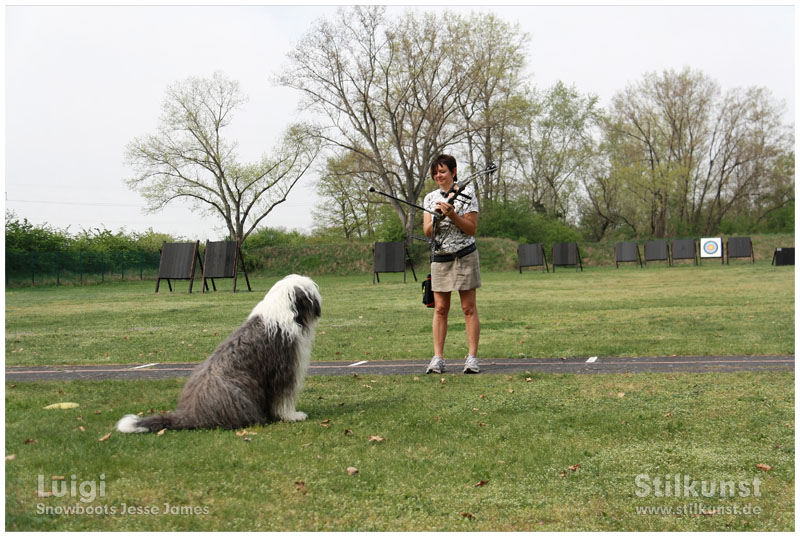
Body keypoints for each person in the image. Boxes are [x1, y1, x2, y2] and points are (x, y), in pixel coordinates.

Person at [422, 154, 481, 374]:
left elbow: (471, 228)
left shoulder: (468, 194)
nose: (439, 176)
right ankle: (438, 358)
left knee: (468, 308)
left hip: (465, 256)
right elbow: (427, 232)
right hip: (441, 258)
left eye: (443, 171)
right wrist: (437, 217)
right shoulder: (430, 199)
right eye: (435, 172)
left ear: (454, 172)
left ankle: (472, 358)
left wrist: (453, 215)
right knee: (440, 309)